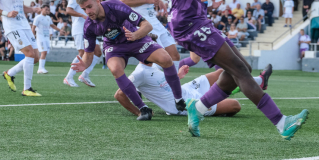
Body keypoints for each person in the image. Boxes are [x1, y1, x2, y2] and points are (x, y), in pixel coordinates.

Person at [160, 0, 307, 139]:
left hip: (198, 21)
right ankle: (281, 122)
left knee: (242, 70)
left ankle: (197, 108)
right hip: (188, 24)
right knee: (239, 72)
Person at [70, 0, 186, 121]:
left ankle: (178, 99)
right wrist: (84, 63)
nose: (88, 12)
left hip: (136, 38)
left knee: (166, 59)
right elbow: (88, 53)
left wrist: (135, 35)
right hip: (114, 47)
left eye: (89, 6)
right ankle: (143, 109)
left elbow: (147, 26)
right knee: (115, 69)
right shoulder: (88, 26)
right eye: (84, 9)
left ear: (98, 1)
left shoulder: (116, 6)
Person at [116, 62, 273, 118]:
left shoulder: (155, 64)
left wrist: (178, 76)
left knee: (221, 73)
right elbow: (120, 94)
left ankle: (260, 82)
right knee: (235, 106)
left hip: (185, 90)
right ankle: (222, 98)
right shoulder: (139, 73)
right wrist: (139, 111)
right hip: (184, 105)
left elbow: (162, 84)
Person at [64, 0, 102, 87]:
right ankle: (68, 77)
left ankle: (84, 75)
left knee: (98, 52)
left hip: (89, 28)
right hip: (79, 28)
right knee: (82, 53)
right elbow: (68, 10)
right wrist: (82, 15)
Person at [32, 5, 64, 74]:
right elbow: (33, 27)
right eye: (46, 9)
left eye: (48, 10)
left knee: (45, 53)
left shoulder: (48, 18)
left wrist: (59, 30)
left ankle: (41, 68)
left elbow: (52, 25)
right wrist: (32, 37)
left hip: (47, 37)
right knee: (44, 52)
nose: (47, 11)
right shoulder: (38, 17)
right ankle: (40, 69)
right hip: (40, 37)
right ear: (42, 9)